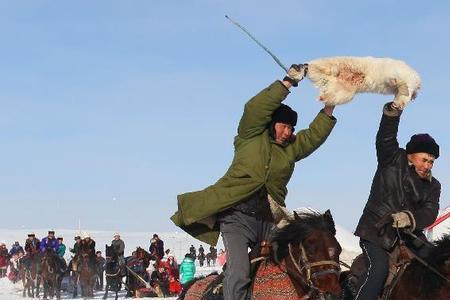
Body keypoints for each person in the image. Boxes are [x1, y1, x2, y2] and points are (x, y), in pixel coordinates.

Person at [171, 64, 337, 299]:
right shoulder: (250, 135)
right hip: (238, 218)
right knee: (239, 273)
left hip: (270, 220)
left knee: (282, 272)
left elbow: (312, 137)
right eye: (284, 125)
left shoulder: (289, 150)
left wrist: (329, 107)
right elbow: (255, 108)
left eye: (291, 127)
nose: (288, 132)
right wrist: (287, 82)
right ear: (272, 124)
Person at [354, 99, 441, 300]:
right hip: (376, 232)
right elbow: (385, 136)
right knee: (378, 270)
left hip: (411, 237)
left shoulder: (434, 185)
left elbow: (430, 212)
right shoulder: (391, 158)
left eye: (432, 162)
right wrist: (394, 111)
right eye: (424, 159)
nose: (428, 166)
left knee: (438, 267)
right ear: (411, 155)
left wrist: (411, 218)